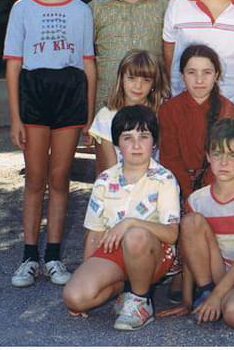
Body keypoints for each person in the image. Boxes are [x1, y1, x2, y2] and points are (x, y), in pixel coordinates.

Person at [5, 0, 96, 288]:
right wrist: (15, 117)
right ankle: (29, 257)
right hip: (35, 93)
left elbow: (88, 64)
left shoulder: (81, 10)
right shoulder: (22, 8)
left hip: (69, 95)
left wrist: (88, 116)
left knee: (60, 178)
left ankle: (54, 256)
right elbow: (14, 65)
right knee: (35, 178)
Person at [62, 105, 179, 331]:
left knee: (135, 235)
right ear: (117, 145)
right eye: (127, 138)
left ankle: (140, 300)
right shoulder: (105, 179)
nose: (136, 145)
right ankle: (124, 290)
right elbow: (95, 233)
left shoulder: (164, 179)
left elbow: (172, 234)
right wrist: (89, 272)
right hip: (113, 251)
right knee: (74, 297)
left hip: (153, 252)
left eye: (144, 136)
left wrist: (130, 222)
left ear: (154, 143)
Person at [157, 119, 234, 328]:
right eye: (217, 154)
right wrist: (186, 301)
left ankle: (219, 298)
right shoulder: (197, 200)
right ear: (208, 156)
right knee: (191, 221)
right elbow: (189, 253)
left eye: (233, 155)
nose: (224, 163)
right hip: (215, 270)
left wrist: (218, 297)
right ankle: (205, 291)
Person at [89, 0, 168, 109]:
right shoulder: (96, 8)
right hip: (106, 105)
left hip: (152, 107)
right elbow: (86, 61)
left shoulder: (165, 8)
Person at [159, 44, 234, 200]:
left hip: (217, 185)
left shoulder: (228, 109)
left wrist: (205, 195)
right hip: (177, 186)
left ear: (216, 75)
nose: (199, 80)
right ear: (182, 75)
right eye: (191, 72)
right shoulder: (169, 109)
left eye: (207, 72)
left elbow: (224, 158)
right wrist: (189, 195)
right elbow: (170, 158)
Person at [89, 49, 170, 175]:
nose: (138, 86)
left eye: (146, 80)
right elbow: (110, 167)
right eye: (132, 78)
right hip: (119, 180)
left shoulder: (162, 112)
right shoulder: (106, 116)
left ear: (154, 83)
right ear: (121, 79)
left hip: (156, 180)